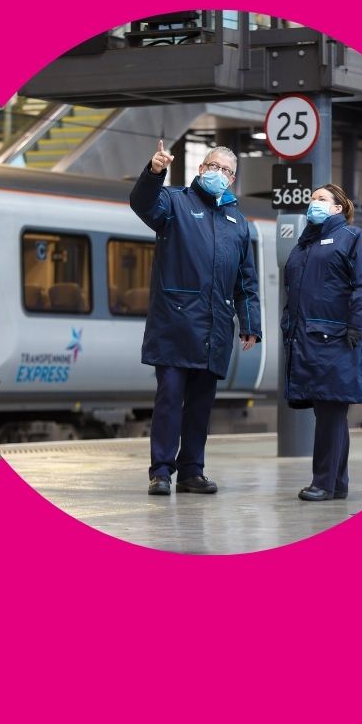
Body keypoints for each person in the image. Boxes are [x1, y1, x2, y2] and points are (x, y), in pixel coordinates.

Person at [130, 142, 261, 496]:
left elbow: (246, 281)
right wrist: (154, 172)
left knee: (201, 406)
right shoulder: (174, 202)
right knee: (170, 398)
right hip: (174, 325)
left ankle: (191, 471)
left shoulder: (238, 222)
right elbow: (142, 204)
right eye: (212, 166)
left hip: (215, 328)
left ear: (233, 179)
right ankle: (160, 471)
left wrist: (250, 324)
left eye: (226, 170)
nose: (218, 174)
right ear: (201, 169)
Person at [281, 184, 362, 501]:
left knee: (331, 411)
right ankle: (337, 482)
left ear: (338, 208)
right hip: (308, 339)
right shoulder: (303, 246)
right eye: (312, 199)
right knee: (329, 412)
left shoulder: (353, 239)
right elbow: (292, 293)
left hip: (337, 339)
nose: (313, 203)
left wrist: (355, 326)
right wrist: (287, 326)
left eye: (321, 199)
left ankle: (323, 482)